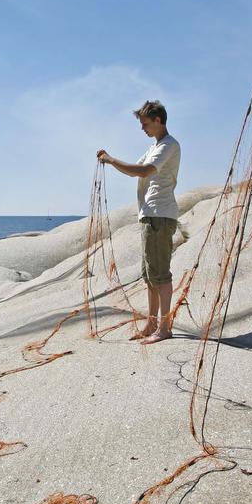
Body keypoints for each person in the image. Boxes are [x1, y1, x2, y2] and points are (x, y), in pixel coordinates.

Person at [96, 100, 181, 345]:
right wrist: (109, 160)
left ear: (158, 120)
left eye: (145, 124)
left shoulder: (169, 145)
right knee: (149, 275)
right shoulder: (154, 147)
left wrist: (111, 160)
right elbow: (135, 169)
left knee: (160, 275)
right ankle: (151, 323)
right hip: (150, 215)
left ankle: (164, 327)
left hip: (159, 215)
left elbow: (143, 172)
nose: (142, 128)